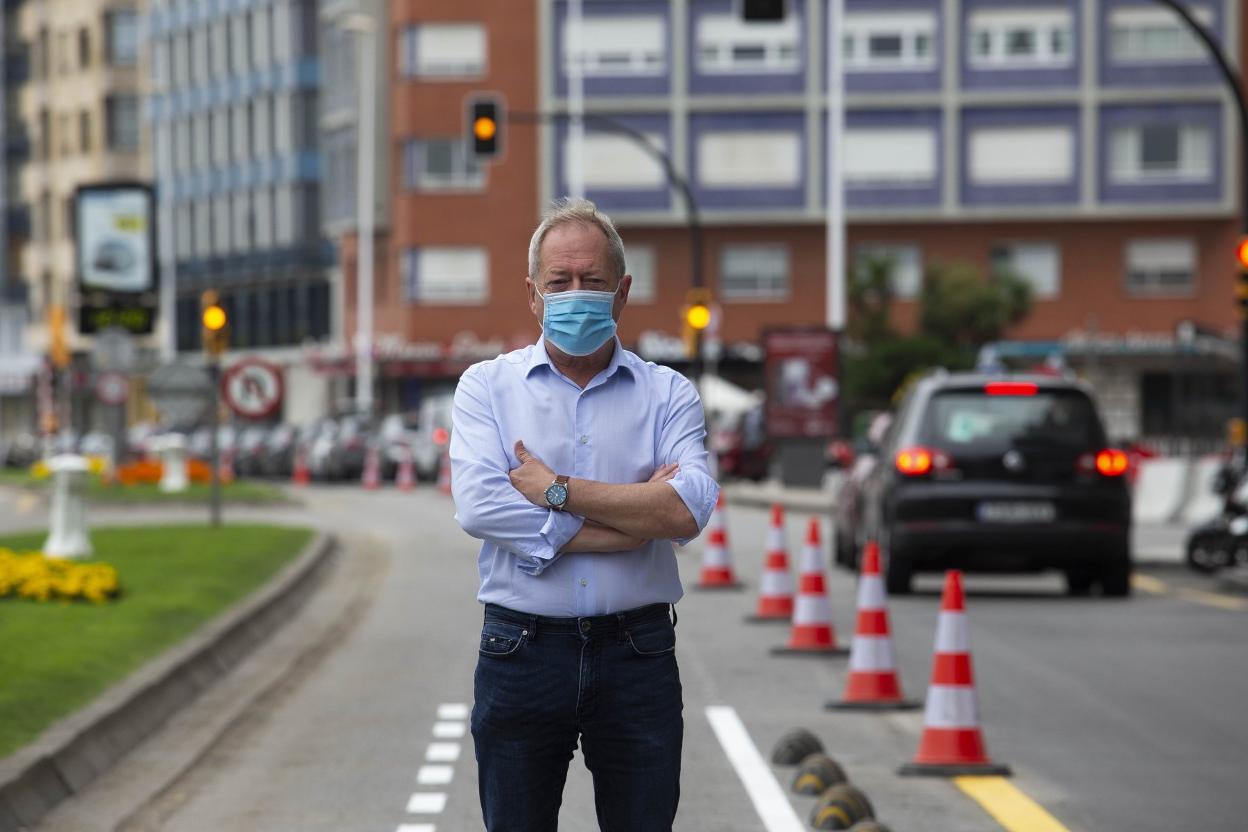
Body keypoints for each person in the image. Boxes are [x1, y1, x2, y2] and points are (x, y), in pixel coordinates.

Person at [450, 198, 720, 832]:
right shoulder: (486, 387)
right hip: (521, 650)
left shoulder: (668, 393)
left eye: (592, 281)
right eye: (560, 281)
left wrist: (556, 490)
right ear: (533, 295)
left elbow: (686, 508)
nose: (575, 295)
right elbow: (481, 506)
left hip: (637, 653)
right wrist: (627, 527)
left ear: (622, 293)